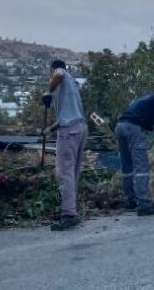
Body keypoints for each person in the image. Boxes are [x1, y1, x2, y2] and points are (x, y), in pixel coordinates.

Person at [115, 85, 154, 216]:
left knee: (127, 166)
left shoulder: (145, 98)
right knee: (141, 167)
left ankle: (130, 200)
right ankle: (144, 204)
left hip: (120, 127)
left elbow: (144, 119)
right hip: (133, 128)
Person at [41, 59, 87, 231]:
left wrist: (48, 92)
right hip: (79, 128)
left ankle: (68, 215)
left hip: (69, 132)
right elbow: (67, 115)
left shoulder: (60, 74)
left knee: (64, 173)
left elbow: (58, 73)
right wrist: (49, 130)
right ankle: (71, 210)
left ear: (52, 69)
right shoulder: (72, 84)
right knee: (72, 173)